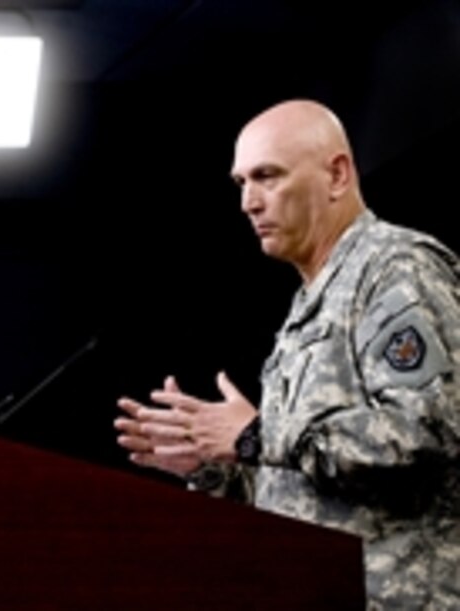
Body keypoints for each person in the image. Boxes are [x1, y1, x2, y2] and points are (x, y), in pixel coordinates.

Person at [113, 99, 459, 610]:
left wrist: (256, 435)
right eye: (241, 183)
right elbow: (302, 489)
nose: (248, 203)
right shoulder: (311, 301)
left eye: (267, 177)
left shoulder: (395, 269)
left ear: (337, 175)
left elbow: (427, 430)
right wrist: (214, 466)